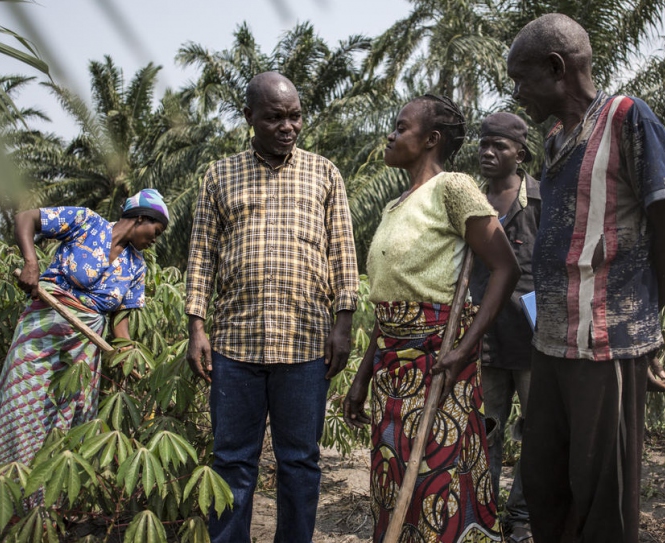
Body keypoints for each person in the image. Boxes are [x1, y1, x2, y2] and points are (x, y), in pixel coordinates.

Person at [505, 14, 665, 543]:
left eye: (523, 79)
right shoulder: (554, 141)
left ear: (557, 68)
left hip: (605, 348)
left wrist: (641, 318)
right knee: (547, 485)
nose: (518, 93)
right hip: (551, 345)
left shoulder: (628, 118)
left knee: (601, 499)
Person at [184, 72, 359, 543]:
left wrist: (343, 323)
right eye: (274, 117)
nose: (288, 126)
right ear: (250, 118)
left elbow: (343, 252)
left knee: (300, 462)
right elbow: (201, 253)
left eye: (295, 116)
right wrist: (196, 327)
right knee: (232, 461)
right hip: (235, 344)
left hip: (305, 345)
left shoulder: (324, 173)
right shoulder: (220, 174)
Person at [343, 94, 521, 542]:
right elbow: (391, 303)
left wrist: (464, 348)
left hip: (438, 364)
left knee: (437, 482)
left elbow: (505, 267)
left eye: (400, 127)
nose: (390, 134)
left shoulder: (454, 188)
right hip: (392, 371)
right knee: (392, 479)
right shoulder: (394, 206)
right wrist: (363, 376)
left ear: (431, 140)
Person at [0, 188, 168, 468]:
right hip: (40, 335)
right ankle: (3, 496)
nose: (155, 239)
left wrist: (128, 355)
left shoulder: (136, 266)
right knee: (19, 411)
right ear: (141, 218)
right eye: (156, 230)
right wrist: (31, 263)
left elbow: (120, 321)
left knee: (63, 422)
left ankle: (45, 506)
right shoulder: (86, 222)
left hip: (82, 353)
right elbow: (26, 218)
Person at [469, 112, 540, 543]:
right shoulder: (471, 202)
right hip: (484, 337)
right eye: (484, 144)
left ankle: (521, 515)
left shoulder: (542, 198)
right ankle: (482, 510)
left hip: (533, 337)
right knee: (485, 427)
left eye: (500, 146)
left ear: (521, 153)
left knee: (536, 429)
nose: (489, 153)